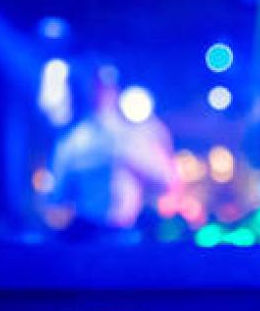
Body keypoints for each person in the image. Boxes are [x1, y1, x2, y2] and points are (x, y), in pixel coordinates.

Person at [48, 63, 178, 241]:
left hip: (131, 233)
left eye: (105, 87)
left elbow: (167, 180)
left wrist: (131, 158)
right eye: (96, 87)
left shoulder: (141, 132)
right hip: (88, 235)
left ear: (116, 89)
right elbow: (58, 195)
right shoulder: (73, 141)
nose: (101, 93)